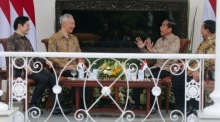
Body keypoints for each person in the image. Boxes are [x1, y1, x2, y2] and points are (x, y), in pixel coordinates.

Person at [7, 16, 71, 115]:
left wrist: (45, 61)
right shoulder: (11, 39)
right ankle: (33, 105)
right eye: (27, 25)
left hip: (33, 68)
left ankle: (58, 106)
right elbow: (12, 56)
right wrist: (24, 64)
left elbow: (34, 55)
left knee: (53, 77)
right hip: (21, 70)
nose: (29, 27)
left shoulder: (26, 40)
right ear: (20, 26)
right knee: (44, 79)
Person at [133, 18, 180, 113]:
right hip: (157, 67)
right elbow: (151, 56)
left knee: (152, 76)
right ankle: (136, 103)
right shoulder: (159, 40)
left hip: (168, 68)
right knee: (140, 74)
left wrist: (153, 50)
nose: (160, 27)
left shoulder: (175, 39)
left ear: (170, 29)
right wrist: (143, 49)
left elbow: (171, 53)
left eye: (163, 25)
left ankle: (152, 106)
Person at [171, 20, 215, 115]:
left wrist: (197, 70)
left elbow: (209, 60)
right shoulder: (204, 41)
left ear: (207, 30)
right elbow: (196, 57)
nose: (200, 31)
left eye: (202, 28)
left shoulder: (214, 42)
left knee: (188, 79)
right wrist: (184, 63)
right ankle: (182, 106)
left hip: (206, 71)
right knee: (176, 76)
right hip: (194, 69)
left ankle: (194, 108)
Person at [48, 14, 89, 109]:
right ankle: (77, 103)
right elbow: (51, 57)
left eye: (74, 23)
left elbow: (79, 54)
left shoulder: (74, 38)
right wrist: (65, 66)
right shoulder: (54, 38)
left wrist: (81, 63)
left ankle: (82, 103)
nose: (74, 26)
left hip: (75, 68)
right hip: (61, 69)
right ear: (64, 24)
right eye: (72, 23)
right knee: (78, 74)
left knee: (85, 73)